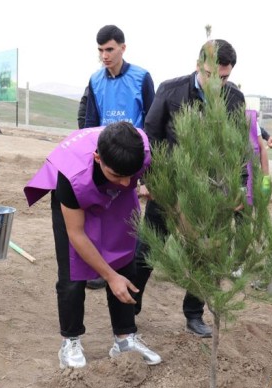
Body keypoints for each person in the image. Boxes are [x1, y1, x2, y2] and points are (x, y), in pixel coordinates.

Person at [23, 122, 161, 369]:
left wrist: (146, 183)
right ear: (98, 158)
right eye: (117, 175)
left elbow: (137, 178)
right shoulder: (71, 173)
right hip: (77, 194)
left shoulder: (139, 150)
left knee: (125, 256)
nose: (125, 182)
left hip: (117, 200)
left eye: (131, 175)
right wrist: (109, 276)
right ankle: (71, 340)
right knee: (72, 274)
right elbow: (77, 235)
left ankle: (124, 339)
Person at [133, 39, 246, 338]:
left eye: (224, 77)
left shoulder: (235, 98)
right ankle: (130, 307)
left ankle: (194, 314)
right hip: (168, 189)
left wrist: (238, 188)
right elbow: (152, 136)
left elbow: (237, 149)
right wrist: (150, 180)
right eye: (211, 75)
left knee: (206, 255)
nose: (217, 84)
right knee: (148, 248)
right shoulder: (171, 91)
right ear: (198, 66)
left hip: (210, 193)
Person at [82, 24, 155, 290]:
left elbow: (151, 120)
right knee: (100, 213)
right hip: (105, 158)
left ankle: (126, 266)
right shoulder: (95, 80)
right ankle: (101, 267)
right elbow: (90, 122)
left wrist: (148, 172)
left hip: (132, 159)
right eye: (101, 50)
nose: (105, 55)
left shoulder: (141, 77)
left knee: (127, 214)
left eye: (110, 49)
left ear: (123, 48)